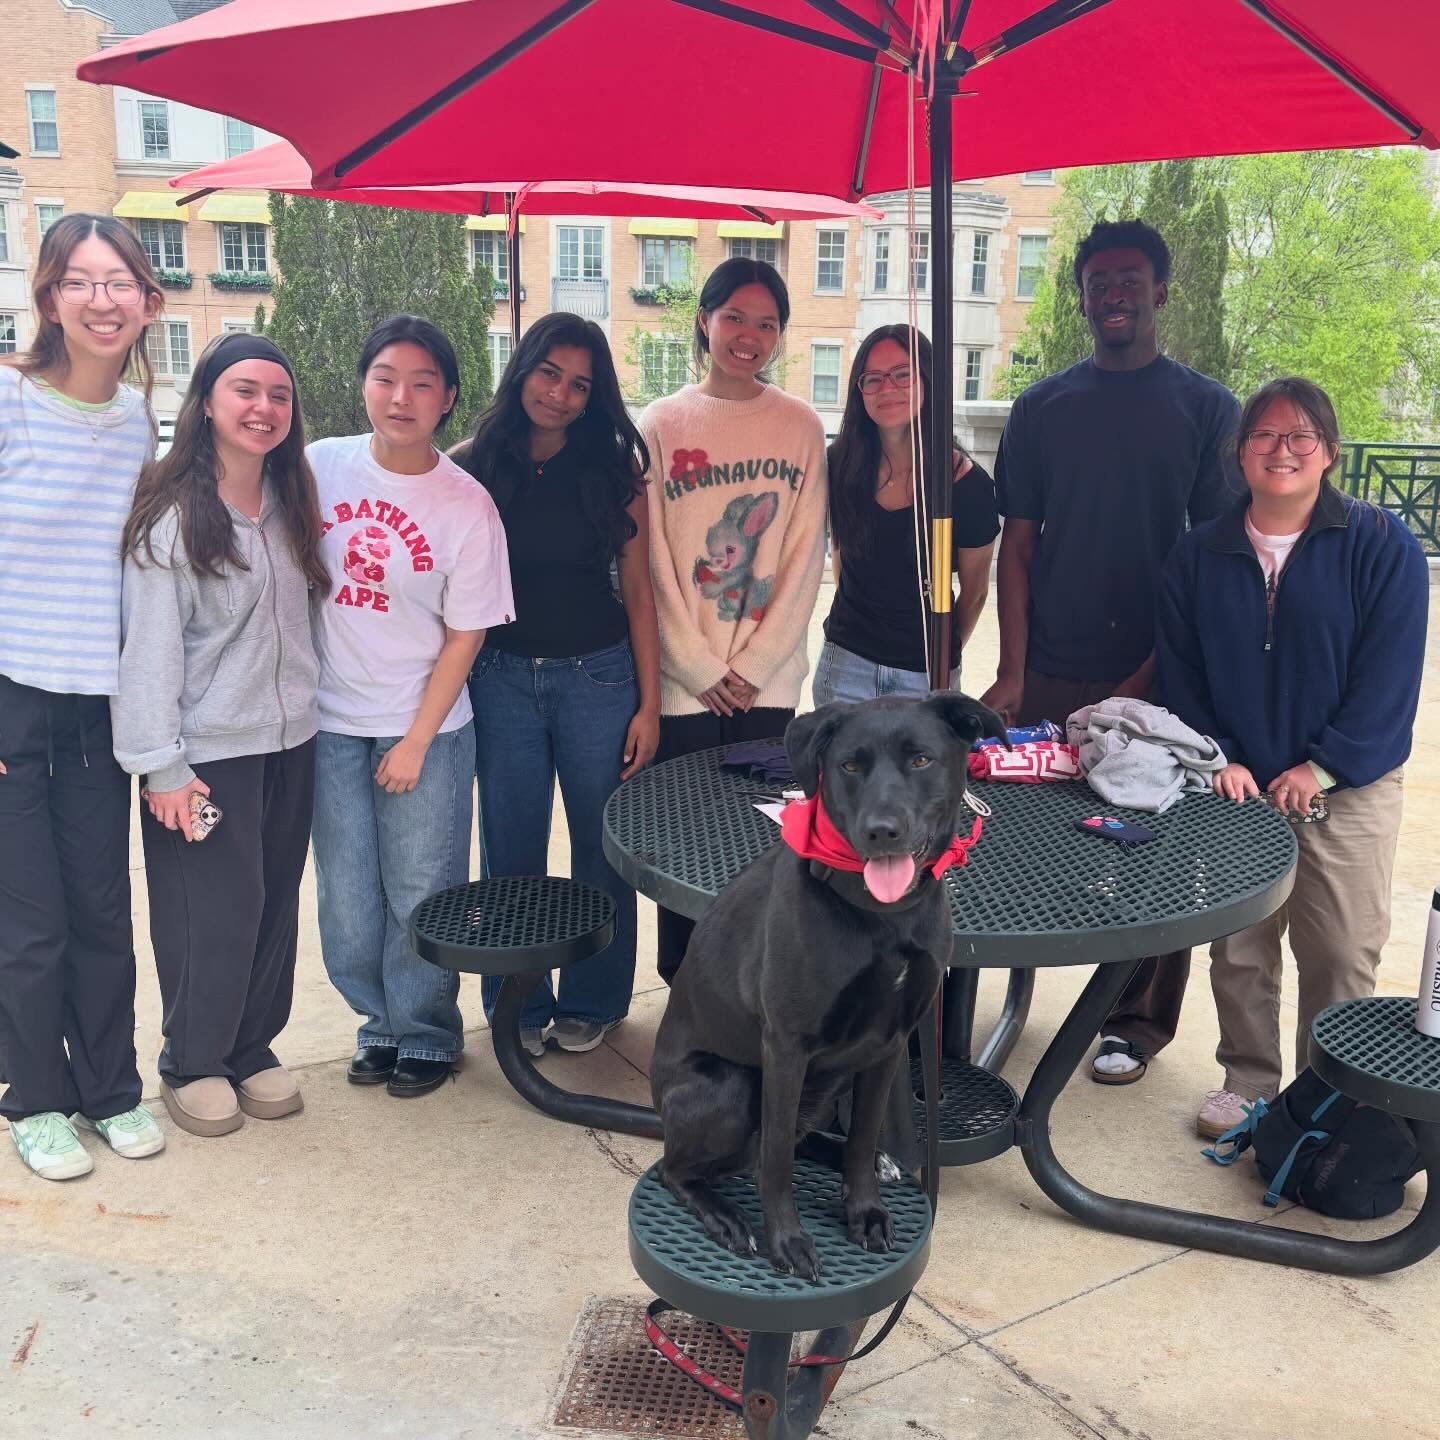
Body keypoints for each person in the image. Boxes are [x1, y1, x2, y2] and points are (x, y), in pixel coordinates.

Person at [982, 219, 1240, 1086]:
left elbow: (1210, 561)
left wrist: (1153, 674)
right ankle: (1006, 989)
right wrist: (1013, 670)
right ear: (1083, 298)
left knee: (1153, 847)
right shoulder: (1042, 407)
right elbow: (1018, 546)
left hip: (1159, 673)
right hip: (1051, 663)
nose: (1114, 294)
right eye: (1099, 282)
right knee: (1021, 832)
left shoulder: (1207, 408)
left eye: (1131, 278)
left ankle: (1134, 1023)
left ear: (1160, 291)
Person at [1157, 376, 1428, 1138]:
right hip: (1238, 787)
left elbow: (1389, 680)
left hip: (1346, 789)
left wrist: (1324, 766)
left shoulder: (1381, 546)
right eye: (1266, 436)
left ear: (1330, 452)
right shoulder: (1198, 553)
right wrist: (1220, 756)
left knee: (1340, 950)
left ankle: (1326, 1098)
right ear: (1240, 453)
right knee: (1240, 947)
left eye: (1301, 436)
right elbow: (1182, 675)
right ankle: (1247, 1079)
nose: (1283, 450)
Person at [113, 333, 329, 1139]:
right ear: (206, 401)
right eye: (245, 390)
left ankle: (249, 1045)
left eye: (279, 395)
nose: (263, 408)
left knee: (273, 904)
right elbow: (148, 652)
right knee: (212, 913)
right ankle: (193, 1059)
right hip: (205, 756)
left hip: (290, 743)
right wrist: (160, 765)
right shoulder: (172, 517)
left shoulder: (291, 501)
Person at [0, 215, 165, 1181]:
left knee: (104, 912)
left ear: (148, 302)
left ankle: (109, 1089)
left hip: (100, 705)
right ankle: (35, 1099)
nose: (101, 301)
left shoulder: (138, 420)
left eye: (119, 282)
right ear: (50, 297)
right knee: (31, 923)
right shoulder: (9, 398)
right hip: (12, 699)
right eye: (79, 281)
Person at [309, 316, 512, 1097]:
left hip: (423, 727)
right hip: (329, 722)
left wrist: (417, 741)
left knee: (421, 891)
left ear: (449, 397)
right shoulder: (320, 466)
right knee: (347, 897)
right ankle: (378, 1022)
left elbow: (466, 636)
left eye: (422, 383)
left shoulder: (466, 505)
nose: (402, 397)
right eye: (386, 378)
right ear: (363, 383)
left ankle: (426, 1030)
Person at [463, 313, 658, 1055]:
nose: (560, 394)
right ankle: (516, 999)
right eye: (550, 373)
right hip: (499, 678)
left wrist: (648, 704)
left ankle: (593, 996)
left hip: (597, 679)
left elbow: (638, 592)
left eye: (580, 384)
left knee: (600, 848)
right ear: (523, 370)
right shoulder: (474, 463)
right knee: (509, 845)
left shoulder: (616, 472)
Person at [640, 257, 828, 984]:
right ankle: (684, 985)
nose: (749, 337)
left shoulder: (799, 425)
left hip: (767, 686)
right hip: (684, 684)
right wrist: (696, 666)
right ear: (704, 320)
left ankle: (755, 989)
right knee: (683, 837)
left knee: (760, 841)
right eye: (735, 319)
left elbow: (807, 556)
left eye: (767, 324)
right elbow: (652, 557)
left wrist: (753, 666)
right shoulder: (662, 423)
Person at [816, 324, 998, 703]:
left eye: (902, 374)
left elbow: (975, 593)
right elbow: (841, 555)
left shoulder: (966, 485)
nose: (887, 388)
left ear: (928, 380)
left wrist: (942, 656)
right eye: (873, 378)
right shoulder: (839, 464)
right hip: (846, 662)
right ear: (859, 390)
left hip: (926, 671)